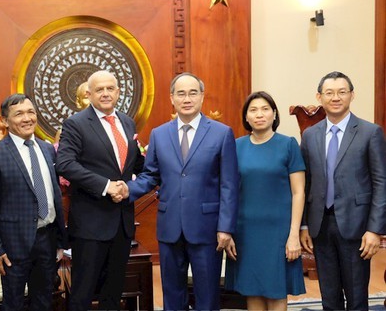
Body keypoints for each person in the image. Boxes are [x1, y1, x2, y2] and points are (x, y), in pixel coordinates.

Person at [122, 72, 239, 311]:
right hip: (170, 227)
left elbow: (229, 184)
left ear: (202, 97)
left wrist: (225, 227)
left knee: (207, 296)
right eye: (181, 93)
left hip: (207, 229)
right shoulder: (159, 133)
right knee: (172, 296)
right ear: (172, 98)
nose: (187, 98)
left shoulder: (221, 133)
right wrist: (127, 189)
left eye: (193, 93)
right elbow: (151, 175)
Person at [56, 70, 145, 311]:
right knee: (83, 293)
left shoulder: (127, 122)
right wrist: (106, 186)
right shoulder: (75, 124)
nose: (105, 93)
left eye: (110, 89)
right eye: (99, 89)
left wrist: (131, 186)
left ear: (118, 92)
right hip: (90, 224)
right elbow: (65, 164)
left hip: (122, 222)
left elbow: (135, 165)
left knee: (113, 291)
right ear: (88, 94)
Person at [300, 71, 386, 311]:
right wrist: (305, 225)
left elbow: (381, 183)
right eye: (329, 93)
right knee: (329, 296)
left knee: (357, 297)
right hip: (321, 225)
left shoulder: (371, 132)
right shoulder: (310, 135)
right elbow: (306, 183)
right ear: (319, 97)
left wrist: (374, 229)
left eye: (342, 92)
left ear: (352, 95)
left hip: (357, 227)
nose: (335, 97)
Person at [0, 94, 68, 311]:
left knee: (44, 301)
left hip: (46, 240)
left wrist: (59, 240)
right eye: (19, 114)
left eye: (31, 112)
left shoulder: (47, 149)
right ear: (4, 121)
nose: (27, 118)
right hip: (13, 247)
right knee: (13, 304)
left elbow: (54, 194)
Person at [224, 91, 306, 310]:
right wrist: (228, 231)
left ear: (274, 114)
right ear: (246, 117)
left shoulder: (288, 145)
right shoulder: (236, 146)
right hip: (246, 232)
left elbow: (298, 192)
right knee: (252, 289)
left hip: (279, 232)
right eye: (253, 110)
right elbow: (228, 191)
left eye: (264, 109)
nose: (259, 114)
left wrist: (294, 235)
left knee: (276, 290)